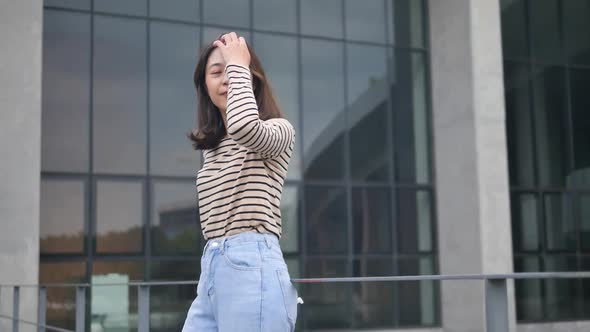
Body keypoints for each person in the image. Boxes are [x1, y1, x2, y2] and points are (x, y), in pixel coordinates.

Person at [182, 32, 300, 332]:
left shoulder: (279, 129)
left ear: (251, 77)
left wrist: (239, 63)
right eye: (216, 72)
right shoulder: (213, 148)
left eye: (233, 69)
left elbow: (245, 126)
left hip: (253, 265)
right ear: (204, 85)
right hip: (212, 266)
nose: (226, 78)